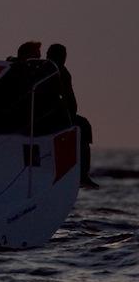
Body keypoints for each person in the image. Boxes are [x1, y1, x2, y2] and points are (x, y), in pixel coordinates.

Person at [47, 43, 98, 188]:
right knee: (83, 126)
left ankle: (80, 172)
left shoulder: (50, 69)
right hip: (53, 116)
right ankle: (82, 174)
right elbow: (70, 101)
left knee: (82, 125)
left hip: (55, 114)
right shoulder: (58, 71)